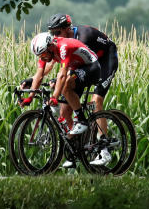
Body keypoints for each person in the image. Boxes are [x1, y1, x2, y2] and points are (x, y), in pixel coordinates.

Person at [46, 13, 119, 166]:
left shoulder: (83, 36)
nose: (54, 36)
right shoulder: (60, 43)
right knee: (65, 110)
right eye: (52, 33)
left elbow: (73, 67)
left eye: (57, 32)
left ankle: (104, 150)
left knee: (96, 101)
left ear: (67, 29)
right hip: (85, 65)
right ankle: (75, 152)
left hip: (105, 61)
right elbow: (52, 63)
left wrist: (60, 82)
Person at [24, 31, 102, 168]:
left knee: (65, 85)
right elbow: (39, 75)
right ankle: (75, 152)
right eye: (40, 56)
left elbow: (62, 74)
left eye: (43, 54)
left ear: (50, 46)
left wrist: (54, 97)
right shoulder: (46, 51)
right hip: (77, 69)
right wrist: (29, 97)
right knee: (64, 114)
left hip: (91, 67)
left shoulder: (63, 46)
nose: (43, 57)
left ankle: (82, 120)